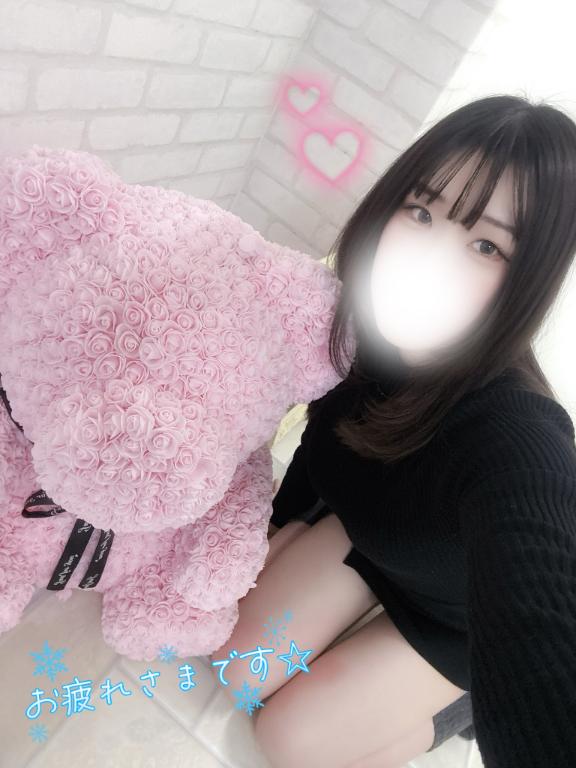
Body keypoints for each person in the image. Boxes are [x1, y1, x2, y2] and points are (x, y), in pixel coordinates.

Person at [208, 94, 576, 768]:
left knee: (290, 741)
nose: (430, 256)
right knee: (235, 666)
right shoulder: (354, 322)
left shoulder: (518, 437)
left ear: (527, 280)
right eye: (422, 211)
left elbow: (544, 633)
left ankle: (455, 706)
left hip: (456, 617)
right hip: (373, 541)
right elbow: (322, 446)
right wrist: (274, 529)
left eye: (487, 245)